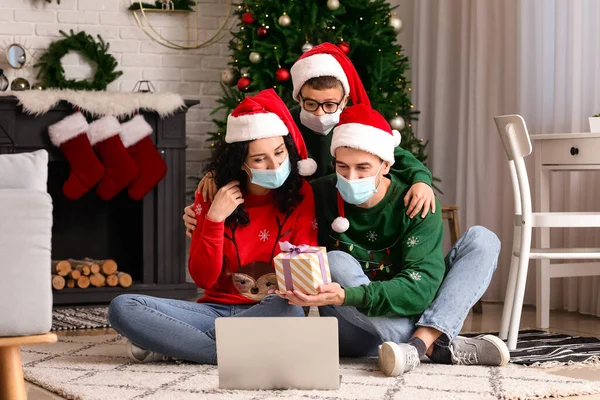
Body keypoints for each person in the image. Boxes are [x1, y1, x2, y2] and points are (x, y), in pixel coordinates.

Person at [278, 104, 509, 377]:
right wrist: (216, 178)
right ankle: (433, 344)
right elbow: (268, 193)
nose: (351, 177)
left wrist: (348, 294)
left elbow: (421, 289)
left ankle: (415, 346)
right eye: (343, 167)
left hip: (391, 306)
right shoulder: (319, 193)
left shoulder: (417, 200)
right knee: (335, 261)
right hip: (354, 328)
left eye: (363, 168)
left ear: (387, 165)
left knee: (483, 240)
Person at [108, 89, 318, 364]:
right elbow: (203, 279)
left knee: (291, 310)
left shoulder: (301, 193)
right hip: (214, 310)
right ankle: (230, 347)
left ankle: (183, 344)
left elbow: (303, 278)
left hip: (271, 309)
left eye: (279, 153)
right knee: (123, 307)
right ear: (240, 161)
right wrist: (214, 220)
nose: (274, 164)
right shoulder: (211, 193)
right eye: (259, 159)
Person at [184, 43, 435, 236]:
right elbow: (249, 152)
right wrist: (215, 176)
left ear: (344, 99)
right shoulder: (283, 125)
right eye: (311, 103)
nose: (319, 113)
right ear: (298, 97)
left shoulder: (357, 125)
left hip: (344, 216)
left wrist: (422, 181)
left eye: (329, 105)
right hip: (297, 216)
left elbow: (397, 157)